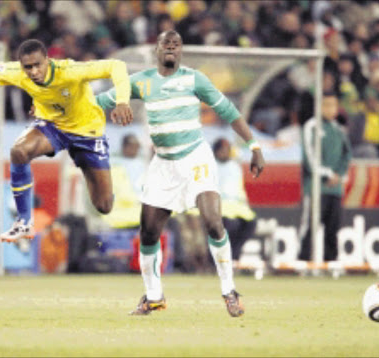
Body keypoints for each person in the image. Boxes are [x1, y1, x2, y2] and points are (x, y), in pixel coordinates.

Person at [96, 30, 265, 317]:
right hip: (163, 164)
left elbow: (228, 111)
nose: (171, 48)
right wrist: (59, 109)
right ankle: (153, 296)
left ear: (181, 51)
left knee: (213, 221)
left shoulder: (194, 78)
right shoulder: (141, 82)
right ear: (157, 50)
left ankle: (229, 290)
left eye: (176, 44)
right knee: (148, 232)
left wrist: (255, 146)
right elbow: (100, 102)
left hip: (196, 157)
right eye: (166, 44)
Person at [0, 39, 133, 243]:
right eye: (27, 67)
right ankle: (24, 221)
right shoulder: (18, 73)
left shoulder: (70, 71)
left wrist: (123, 101)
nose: (33, 72)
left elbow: (116, 65)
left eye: (37, 66)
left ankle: (87, 165)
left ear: (47, 61)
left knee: (104, 205)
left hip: (87, 133)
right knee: (19, 152)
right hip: (53, 126)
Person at [298, 92, 352, 262]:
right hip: (315, 187)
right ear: (319, 107)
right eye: (326, 105)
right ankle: (303, 262)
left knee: (333, 229)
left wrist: (340, 175)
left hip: (335, 188)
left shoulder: (338, 129)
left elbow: (347, 154)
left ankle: (331, 264)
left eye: (333, 105)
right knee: (310, 227)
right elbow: (309, 157)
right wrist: (328, 173)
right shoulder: (311, 126)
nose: (330, 109)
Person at [212, 138, 257, 263]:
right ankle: (221, 257)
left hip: (236, 207)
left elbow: (239, 190)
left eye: (227, 150)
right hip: (218, 207)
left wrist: (244, 203)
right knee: (231, 225)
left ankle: (234, 255)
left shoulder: (234, 168)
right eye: (222, 150)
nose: (225, 153)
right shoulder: (210, 166)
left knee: (250, 224)